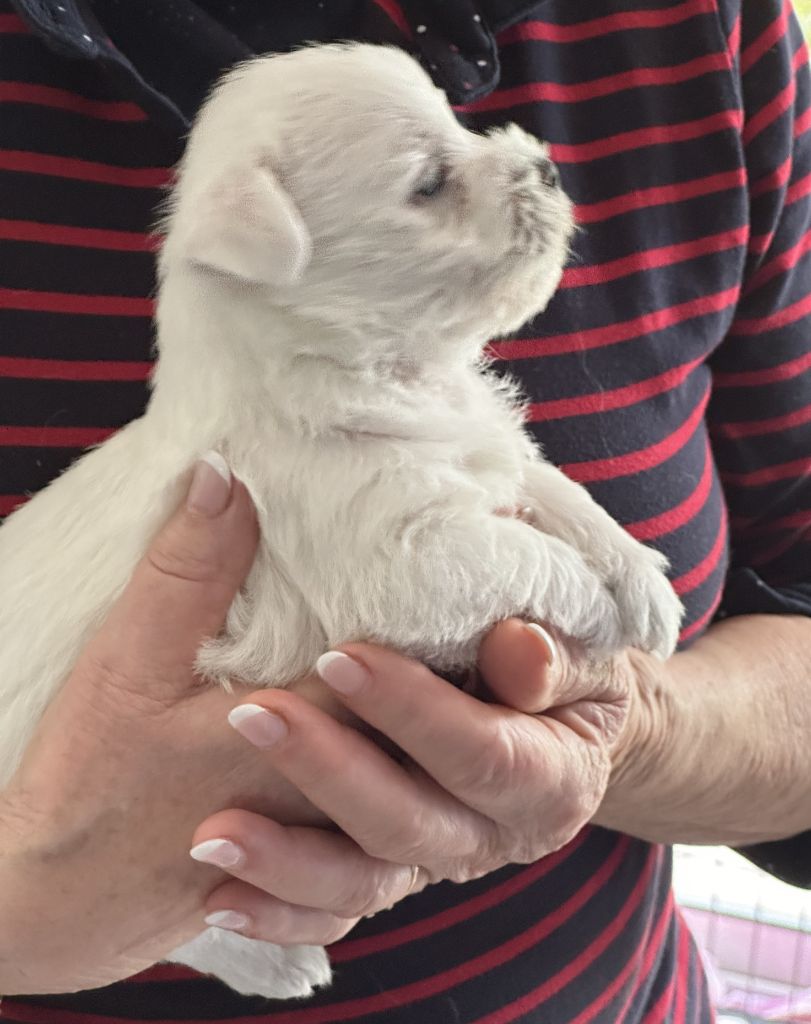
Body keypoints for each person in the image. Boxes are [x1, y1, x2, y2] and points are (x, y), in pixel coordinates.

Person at [0, 0, 809, 1020]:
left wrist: (636, 718)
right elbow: (412, 585)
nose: (521, 167)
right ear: (265, 243)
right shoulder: (293, 434)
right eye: (431, 184)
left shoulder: (698, 27)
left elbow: (495, 458)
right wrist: (18, 913)